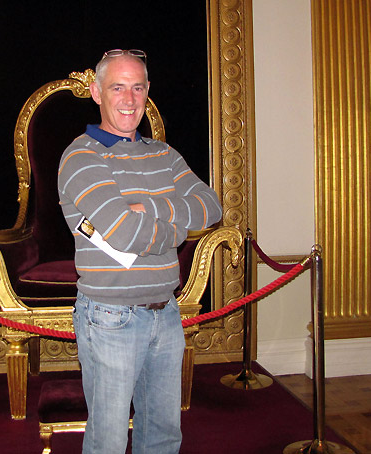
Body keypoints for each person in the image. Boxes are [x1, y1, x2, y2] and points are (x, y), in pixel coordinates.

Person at [57, 49, 223, 454]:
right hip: (109, 317)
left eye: (137, 87)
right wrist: (178, 231)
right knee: (109, 440)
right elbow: (124, 233)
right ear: (96, 92)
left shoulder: (164, 154)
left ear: (147, 91)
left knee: (163, 434)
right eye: (118, 87)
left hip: (165, 312)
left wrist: (150, 206)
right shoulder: (81, 156)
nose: (129, 99)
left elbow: (212, 206)